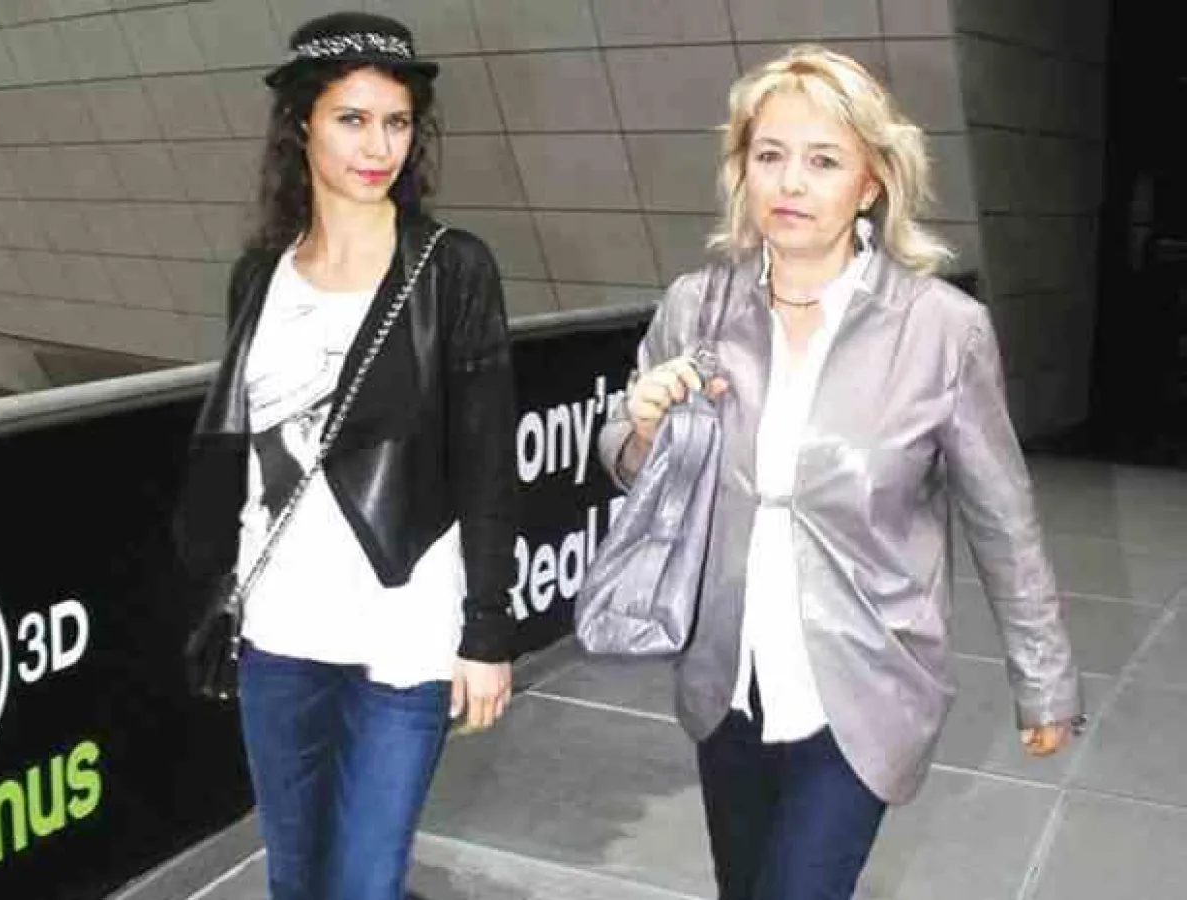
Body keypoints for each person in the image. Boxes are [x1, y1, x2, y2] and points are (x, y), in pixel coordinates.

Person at [599, 46, 1083, 900]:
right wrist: (639, 430)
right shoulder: (696, 305)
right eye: (770, 155)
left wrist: (1045, 682)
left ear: (870, 183)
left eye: (823, 160)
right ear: (742, 169)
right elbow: (631, 468)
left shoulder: (941, 330)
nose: (791, 182)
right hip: (726, 679)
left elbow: (1003, 521)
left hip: (866, 681)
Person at [174, 12, 516, 900]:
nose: (378, 146)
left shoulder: (452, 269)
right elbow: (240, 445)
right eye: (352, 119)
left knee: (365, 883)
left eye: (396, 122)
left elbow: (486, 462)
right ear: (301, 124)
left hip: (405, 623)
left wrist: (486, 630)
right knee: (296, 879)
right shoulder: (260, 274)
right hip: (280, 626)